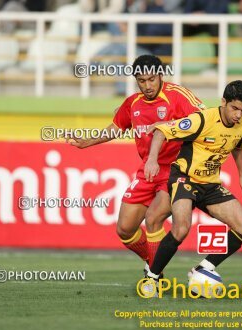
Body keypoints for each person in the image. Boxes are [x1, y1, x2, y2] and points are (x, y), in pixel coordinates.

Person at [68, 55, 204, 275]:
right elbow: (115, 127)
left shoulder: (177, 96)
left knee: (153, 219)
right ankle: (155, 260)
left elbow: (203, 120)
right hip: (147, 172)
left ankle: (154, 275)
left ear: (161, 75)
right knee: (125, 229)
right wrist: (87, 142)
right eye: (142, 81)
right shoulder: (133, 103)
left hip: (177, 171)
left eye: (152, 79)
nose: (148, 85)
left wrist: (169, 125)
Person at [142, 80, 242, 293]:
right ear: (223, 102)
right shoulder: (201, 120)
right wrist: (152, 160)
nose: (238, 115)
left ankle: (204, 268)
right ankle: (152, 277)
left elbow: (237, 147)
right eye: (234, 108)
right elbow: (161, 132)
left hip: (210, 185)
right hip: (185, 179)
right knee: (182, 228)